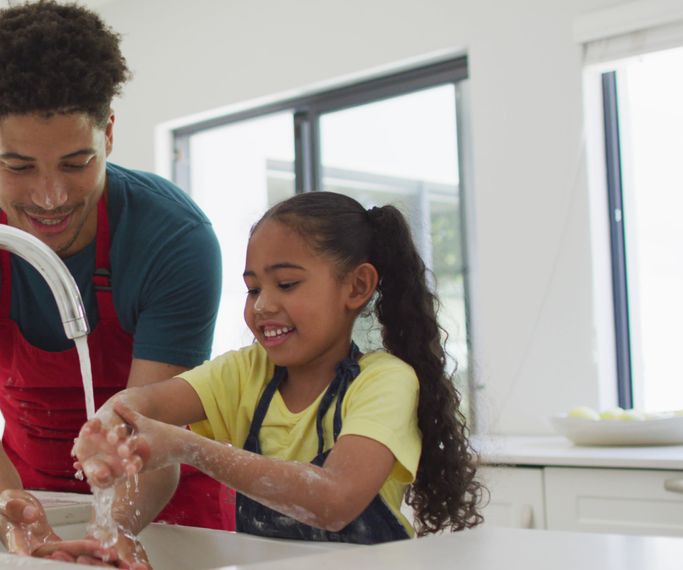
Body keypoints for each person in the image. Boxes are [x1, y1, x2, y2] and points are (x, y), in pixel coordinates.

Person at [0, 1, 228, 565]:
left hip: (167, 510)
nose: (50, 197)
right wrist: (15, 517)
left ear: (110, 135)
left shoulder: (173, 239)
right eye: (19, 167)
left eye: (76, 163)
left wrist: (113, 530)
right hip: (27, 497)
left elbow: (153, 439)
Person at [74, 191, 485, 547]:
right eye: (253, 289)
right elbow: (143, 404)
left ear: (357, 287)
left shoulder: (385, 381)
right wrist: (108, 428)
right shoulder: (246, 373)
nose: (263, 305)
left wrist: (187, 447)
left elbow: (334, 500)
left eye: (286, 284)